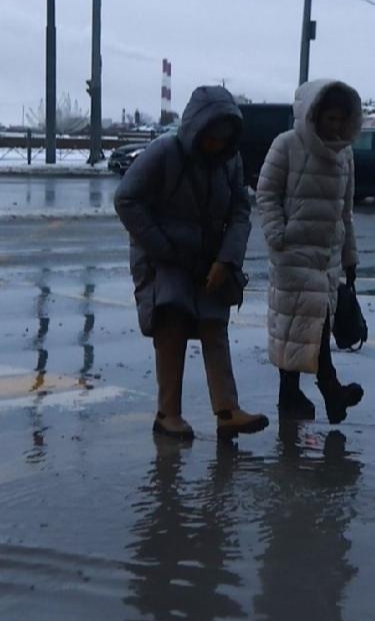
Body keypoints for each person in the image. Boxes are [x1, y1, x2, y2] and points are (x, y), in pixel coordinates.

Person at [115, 84, 269, 441]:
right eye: (211, 136)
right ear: (196, 128)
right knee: (172, 323)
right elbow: (126, 200)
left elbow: (240, 212)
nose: (216, 144)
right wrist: (161, 247)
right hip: (162, 257)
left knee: (215, 325)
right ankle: (168, 414)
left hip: (209, 258)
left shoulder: (230, 160)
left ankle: (227, 411)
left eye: (224, 137)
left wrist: (227, 260)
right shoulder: (164, 152)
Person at [256, 79, 366, 424]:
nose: (334, 126)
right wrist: (278, 235)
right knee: (308, 326)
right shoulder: (287, 145)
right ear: (314, 115)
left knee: (304, 328)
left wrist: (350, 257)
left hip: (328, 258)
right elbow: (267, 192)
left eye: (339, 120)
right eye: (329, 118)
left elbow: (345, 211)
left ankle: (290, 398)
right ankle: (331, 391)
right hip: (293, 254)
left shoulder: (345, 154)